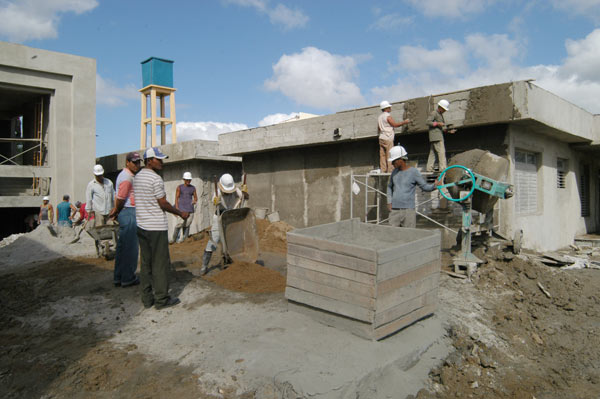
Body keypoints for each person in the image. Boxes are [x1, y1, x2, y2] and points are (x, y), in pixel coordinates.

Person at [134, 147, 189, 309]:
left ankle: (147, 299)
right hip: (156, 227)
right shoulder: (155, 179)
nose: (162, 162)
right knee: (160, 264)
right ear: (149, 160)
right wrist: (180, 213)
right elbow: (163, 203)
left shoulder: (137, 177)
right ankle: (161, 299)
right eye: (159, 159)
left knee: (146, 263)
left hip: (142, 226)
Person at [109, 151, 142, 288]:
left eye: (138, 162)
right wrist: (116, 210)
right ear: (127, 162)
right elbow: (121, 198)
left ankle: (119, 277)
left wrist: (117, 211)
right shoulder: (127, 178)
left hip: (126, 212)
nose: (137, 165)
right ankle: (128, 277)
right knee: (131, 248)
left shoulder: (125, 175)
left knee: (122, 248)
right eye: (134, 162)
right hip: (129, 212)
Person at [386, 146, 441, 228]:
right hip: (394, 210)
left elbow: (425, 187)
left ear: (401, 159)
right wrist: (389, 202)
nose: (392, 164)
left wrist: (434, 186)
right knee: (392, 235)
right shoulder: (394, 172)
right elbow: (389, 187)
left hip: (408, 211)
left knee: (409, 236)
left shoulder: (414, 172)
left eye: (394, 161)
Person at [201, 173, 243, 275]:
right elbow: (213, 200)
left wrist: (244, 193)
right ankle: (204, 266)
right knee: (214, 240)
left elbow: (243, 197)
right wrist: (216, 202)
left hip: (229, 216)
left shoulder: (235, 191)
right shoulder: (217, 193)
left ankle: (229, 260)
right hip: (219, 218)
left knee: (230, 240)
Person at [378, 100, 411, 173]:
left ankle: (383, 170)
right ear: (386, 108)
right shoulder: (387, 116)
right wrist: (404, 122)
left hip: (381, 137)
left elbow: (379, 128)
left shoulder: (380, 117)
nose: (390, 108)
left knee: (382, 156)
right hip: (388, 137)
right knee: (389, 154)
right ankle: (390, 170)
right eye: (389, 107)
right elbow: (395, 125)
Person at [426, 99, 457, 173]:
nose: (445, 111)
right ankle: (443, 169)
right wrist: (437, 123)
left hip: (436, 136)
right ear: (440, 107)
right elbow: (428, 122)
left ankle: (429, 168)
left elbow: (440, 128)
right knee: (441, 152)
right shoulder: (434, 113)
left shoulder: (439, 115)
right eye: (444, 109)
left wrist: (449, 131)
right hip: (437, 137)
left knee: (433, 154)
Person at [171, 171, 197, 243]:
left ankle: (184, 240)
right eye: (187, 180)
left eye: (189, 180)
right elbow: (176, 198)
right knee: (179, 224)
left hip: (190, 209)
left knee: (187, 224)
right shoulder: (180, 187)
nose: (188, 181)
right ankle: (173, 239)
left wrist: (194, 201)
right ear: (184, 180)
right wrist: (176, 208)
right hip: (181, 209)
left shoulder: (193, 188)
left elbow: (195, 198)